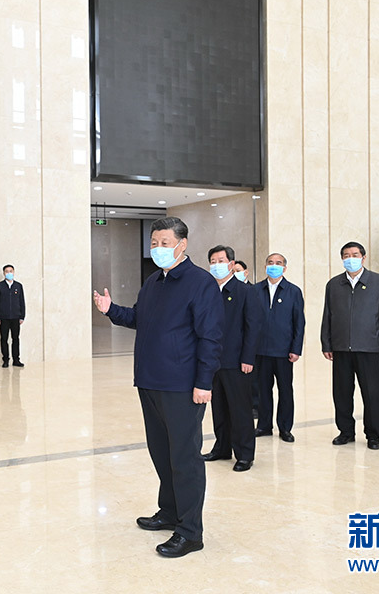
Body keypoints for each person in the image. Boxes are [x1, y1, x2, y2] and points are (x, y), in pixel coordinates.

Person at [93, 217, 223, 558]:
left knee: (185, 458)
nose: (158, 249)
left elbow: (210, 337)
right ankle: (169, 512)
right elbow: (139, 318)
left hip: (182, 385)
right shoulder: (153, 282)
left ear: (182, 244)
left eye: (165, 243)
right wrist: (111, 310)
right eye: (154, 243)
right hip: (150, 381)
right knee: (162, 453)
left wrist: (204, 382)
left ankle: (190, 531)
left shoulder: (200, 283)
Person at [321, 241, 379, 449]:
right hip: (341, 348)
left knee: (371, 393)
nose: (350, 258)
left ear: (363, 257)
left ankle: (373, 435)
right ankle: (345, 431)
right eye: (346, 255)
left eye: (354, 254)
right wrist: (326, 344)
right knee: (342, 393)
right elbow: (327, 315)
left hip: (368, 347)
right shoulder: (334, 285)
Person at [202, 245, 262, 472]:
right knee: (219, 408)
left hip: (237, 362)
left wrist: (248, 358)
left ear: (231, 264)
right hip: (212, 361)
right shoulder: (207, 291)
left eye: (221, 260)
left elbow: (253, 327)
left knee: (240, 410)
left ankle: (245, 454)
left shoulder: (245, 291)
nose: (216, 265)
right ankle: (222, 447)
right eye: (213, 261)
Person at [254, 253, 305, 442]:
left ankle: (285, 428)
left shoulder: (293, 291)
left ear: (284, 268)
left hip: (284, 351)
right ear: (265, 266)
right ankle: (264, 425)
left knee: (285, 390)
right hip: (260, 350)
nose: (273, 266)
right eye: (270, 262)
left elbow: (299, 322)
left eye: (278, 263)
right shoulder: (255, 290)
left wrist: (296, 349)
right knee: (263, 390)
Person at [0, 265, 25, 368]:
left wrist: (22, 316)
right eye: (7, 271)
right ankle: (5, 360)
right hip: (4, 317)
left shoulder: (18, 286)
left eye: (10, 271)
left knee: (15, 338)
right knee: (4, 339)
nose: (9, 273)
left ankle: (16, 360)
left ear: (14, 272)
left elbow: (22, 301)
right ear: (4, 273)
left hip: (16, 317)